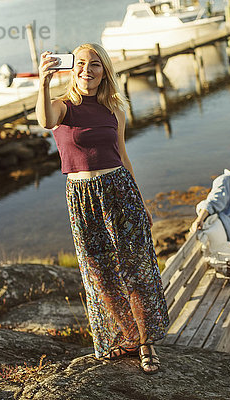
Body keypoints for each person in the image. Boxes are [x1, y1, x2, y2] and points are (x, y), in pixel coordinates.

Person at [36, 43, 169, 374]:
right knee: (100, 274)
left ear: (104, 71)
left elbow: (123, 156)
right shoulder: (63, 107)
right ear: (72, 69)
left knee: (135, 270)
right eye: (80, 63)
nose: (86, 69)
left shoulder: (115, 111)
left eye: (95, 64)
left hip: (119, 192)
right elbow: (44, 120)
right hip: (82, 198)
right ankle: (129, 337)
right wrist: (43, 81)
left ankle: (147, 344)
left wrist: (140, 201)